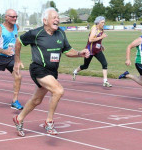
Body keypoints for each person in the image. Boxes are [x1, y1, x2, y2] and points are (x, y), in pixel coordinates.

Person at [12, 8, 90, 136]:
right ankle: (49, 122)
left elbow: (67, 50)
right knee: (58, 90)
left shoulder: (60, 33)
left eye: (58, 17)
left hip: (52, 71)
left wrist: (79, 54)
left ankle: (18, 118)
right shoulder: (36, 33)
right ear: (45, 20)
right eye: (54, 17)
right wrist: (17, 60)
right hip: (38, 69)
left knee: (37, 100)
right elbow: (19, 41)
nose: (57, 19)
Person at [72, 16, 112, 87]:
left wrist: (101, 45)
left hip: (97, 50)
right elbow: (90, 39)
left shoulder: (102, 29)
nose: (103, 24)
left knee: (104, 63)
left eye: (104, 22)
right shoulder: (94, 28)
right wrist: (102, 37)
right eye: (102, 22)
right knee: (85, 66)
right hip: (89, 50)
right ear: (98, 22)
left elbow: (98, 40)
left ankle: (105, 81)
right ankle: (75, 71)